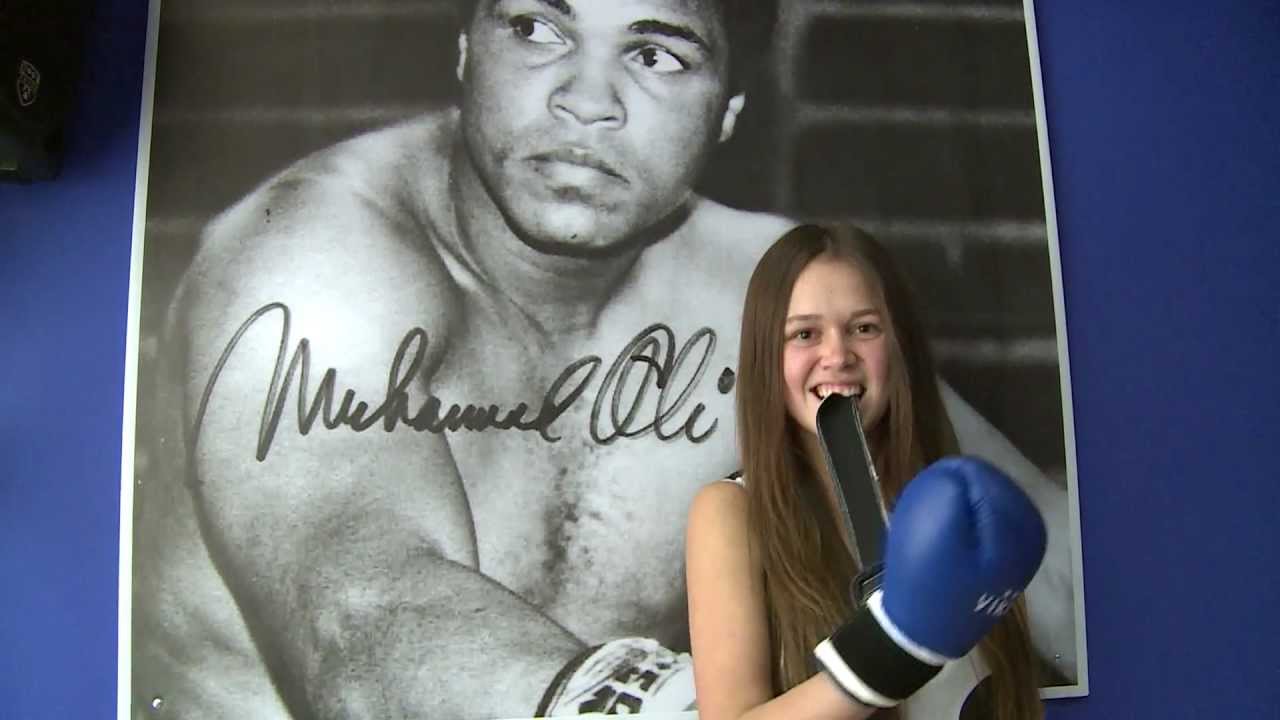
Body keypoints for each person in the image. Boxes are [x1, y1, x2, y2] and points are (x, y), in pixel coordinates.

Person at [129, 1, 1075, 718]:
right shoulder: (313, 261)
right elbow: (361, 620)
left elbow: (1049, 562)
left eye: (656, 53)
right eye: (538, 29)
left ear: (728, 112)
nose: (585, 102)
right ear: (464, 51)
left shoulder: (765, 296)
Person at [686, 224, 1045, 719]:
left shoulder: (961, 508)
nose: (837, 356)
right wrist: (895, 649)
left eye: (864, 328)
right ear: (766, 358)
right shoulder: (730, 512)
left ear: (897, 346)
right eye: (805, 334)